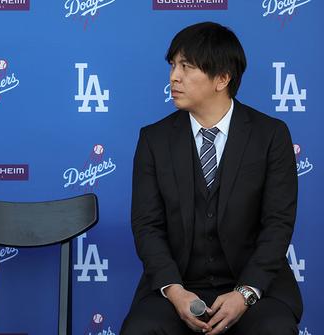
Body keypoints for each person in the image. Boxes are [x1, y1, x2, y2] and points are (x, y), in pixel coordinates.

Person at [121, 22, 302, 335]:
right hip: (178, 288)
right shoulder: (154, 139)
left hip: (255, 289)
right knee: (141, 329)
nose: (174, 77)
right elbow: (147, 226)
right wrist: (175, 291)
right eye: (173, 65)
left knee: (275, 329)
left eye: (187, 67)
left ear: (222, 78)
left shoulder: (270, 135)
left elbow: (278, 224)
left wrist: (245, 293)